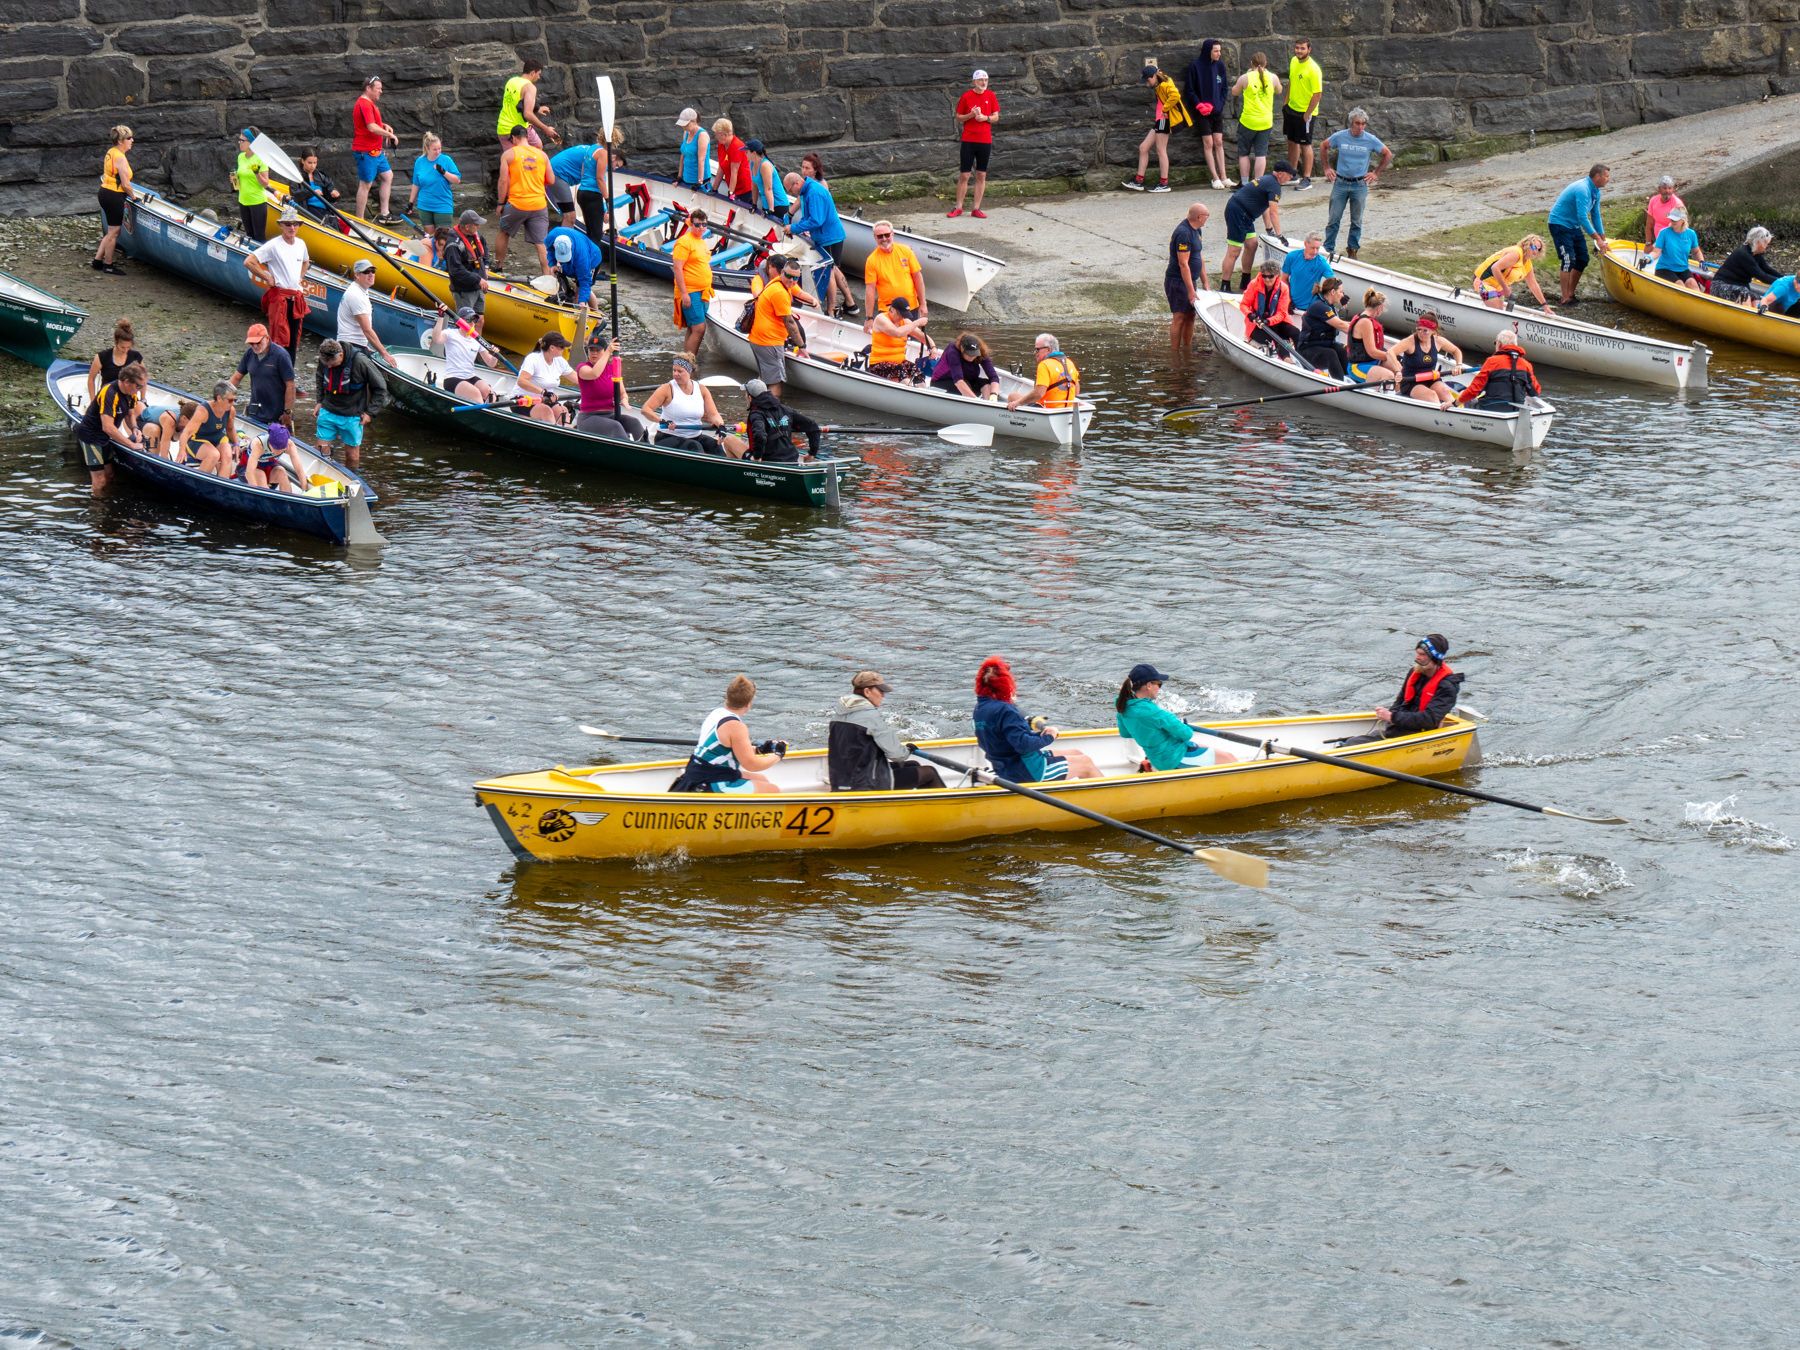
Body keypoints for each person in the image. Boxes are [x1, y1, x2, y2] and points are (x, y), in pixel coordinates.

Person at [972, 656, 1100, 783]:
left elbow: (1004, 737)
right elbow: (1023, 745)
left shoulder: (979, 709)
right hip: (1027, 770)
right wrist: (1049, 736)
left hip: (1005, 767)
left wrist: (1038, 734)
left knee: (1076, 753)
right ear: (1004, 683)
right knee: (1086, 763)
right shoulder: (1006, 711)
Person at [669, 674, 787, 795]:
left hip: (697, 773)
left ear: (727, 698)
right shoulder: (736, 726)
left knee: (762, 779)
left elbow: (731, 750)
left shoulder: (717, 713)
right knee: (773, 790)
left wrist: (759, 750)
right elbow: (751, 765)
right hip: (711, 781)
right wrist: (778, 754)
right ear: (749, 704)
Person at [828, 671, 946, 791]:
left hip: (841, 781)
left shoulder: (838, 716)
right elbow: (897, 755)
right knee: (929, 772)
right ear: (867, 692)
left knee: (913, 765)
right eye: (880, 691)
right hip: (866, 784)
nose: (883, 695)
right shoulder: (870, 716)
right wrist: (908, 750)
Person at [1340, 636, 1464, 745]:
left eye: (1423, 655)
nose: (1418, 658)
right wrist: (1391, 716)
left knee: (1353, 743)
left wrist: (1392, 717)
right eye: (1417, 653)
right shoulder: (1414, 672)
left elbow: (1429, 719)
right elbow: (1400, 700)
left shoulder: (1448, 686)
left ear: (1435, 658)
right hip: (1401, 725)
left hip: (1421, 733)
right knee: (1354, 740)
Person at [1115, 664, 1238, 772]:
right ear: (1148, 685)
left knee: (1201, 747)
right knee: (1230, 759)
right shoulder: (1152, 711)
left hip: (1156, 757)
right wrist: (1178, 723)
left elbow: (1125, 733)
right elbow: (1186, 733)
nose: (1159, 688)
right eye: (1159, 684)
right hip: (1173, 758)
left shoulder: (1123, 707)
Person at [642, 354, 749, 458]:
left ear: (689, 372)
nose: (675, 374)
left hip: (695, 436)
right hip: (667, 437)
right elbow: (646, 410)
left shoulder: (702, 389)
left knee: (716, 447)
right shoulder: (667, 389)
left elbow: (713, 414)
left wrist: (721, 426)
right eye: (674, 370)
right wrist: (662, 421)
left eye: (680, 371)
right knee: (695, 447)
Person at [245, 205, 312, 363]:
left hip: (296, 297)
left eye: (295, 224)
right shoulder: (274, 245)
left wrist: (299, 278)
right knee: (279, 338)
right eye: (288, 224)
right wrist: (266, 276)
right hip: (280, 297)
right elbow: (249, 261)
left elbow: (306, 261)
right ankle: (276, 371)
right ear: (281, 225)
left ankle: (290, 375)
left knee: (294, 340)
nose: (292, 227)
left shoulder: (301, 244)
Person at [1322, 108, 1391, 258]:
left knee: (1356, 220)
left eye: (1363, 124)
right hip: (1340, 182)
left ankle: (1352, 249)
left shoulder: (1370, 139)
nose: (1360, 127)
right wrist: (1327, 167)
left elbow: (1387, 154)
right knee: (1334, 218)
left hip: (1359, 184)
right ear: (1351, 123)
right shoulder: (1340, 137)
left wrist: (1375, 173)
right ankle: (1328, 249)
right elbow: (1324, 146)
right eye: (1357, 123)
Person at [76, 361, 151, 494]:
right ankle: (97, 510)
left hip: (106, 438)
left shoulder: (131, 393)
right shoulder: (109, 393)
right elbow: (108, 427)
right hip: (92, 436)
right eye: (139, 386)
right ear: (127, 381)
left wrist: (134, 428)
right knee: (99, 480)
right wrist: (131, 445)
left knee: (110, 475)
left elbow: (130, 414)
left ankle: (106, 501)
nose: (140, 389)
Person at [1217, 160, 1293, 291]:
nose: (1290, 178)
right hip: (1238, 212)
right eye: (1289, 175)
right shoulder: (1274, 185)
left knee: (1252, 245)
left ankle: (1245, 282)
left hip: (1245, 215)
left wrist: (1269, 229)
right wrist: (1280, 235)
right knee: (1234, 250)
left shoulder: (1268, 180)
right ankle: (1225, 286)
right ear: (1280, 174)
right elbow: (1274, 212)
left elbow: (1266, 209)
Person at [784, 171, 852, 316]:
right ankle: (850, 304)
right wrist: (797, 228)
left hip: (830, 238)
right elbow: (807, 217)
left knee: (829, 272)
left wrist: (794, 228)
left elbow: (816, 220)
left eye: (790, 190)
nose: (792, 193)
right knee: (833, 270)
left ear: (796, 183)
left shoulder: (814, 192)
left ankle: (831, 309)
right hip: (826, 235)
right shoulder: (806, 191)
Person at [314, 337, 388, 466]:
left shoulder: (361, 362)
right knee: (320, 450)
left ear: (341, 355)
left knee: (352, 456)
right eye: (326, 364)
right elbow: (320, 377)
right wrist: (319, 401)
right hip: (328, 410)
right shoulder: (325, 360)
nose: (329, 366)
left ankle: (352, 479)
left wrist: (370, 413)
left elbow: (380, 388)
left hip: (352, 415)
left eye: (331, 362)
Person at [495, 125, 554, 277]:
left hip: (517, 203)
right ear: (527, 136)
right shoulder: (542, 155)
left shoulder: (509, 154)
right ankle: (548, 276)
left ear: (514, 138)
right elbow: (551, 180)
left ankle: (498, 267)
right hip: (539, 204)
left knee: (504, 232)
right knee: (541, 242)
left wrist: (501, 203)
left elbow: (503, 181)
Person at [748, 256, 810, 397]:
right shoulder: (779, 292)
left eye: (796, 278)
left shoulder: (778, 283)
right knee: (775, 382)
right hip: (769, 342)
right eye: (788, 276)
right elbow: (789, 322)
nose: (792, 281)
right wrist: (801, 346)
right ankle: (772, 412)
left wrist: (812, 300)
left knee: (765, 379)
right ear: (782, 273)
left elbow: (797, 293)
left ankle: (755, 406)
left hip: (760, 339)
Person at [1547, 163, 1609, 304]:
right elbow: (1582, 217)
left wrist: (1603, 237)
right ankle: (1564, 297)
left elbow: (1595, 215)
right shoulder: (1583, 189)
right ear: (1597, 176)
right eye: (1606, 176)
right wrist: (1596, 238)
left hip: (1573, 226)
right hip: (1559, 224)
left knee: (1582, 259)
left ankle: (1571, 293)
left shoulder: (1596, 191)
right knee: (1569, 259)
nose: (1608, 179)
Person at [1123, 62, 1190, 192]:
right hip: (1160, 120)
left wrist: (1165, 109)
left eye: (1148, 79)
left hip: (1164, 120)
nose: (1147, 82)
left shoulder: (1164, 84)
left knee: (1161, 150)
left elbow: (1176, 95)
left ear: (1154, 76)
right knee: (1143, 148)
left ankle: (1164, 183)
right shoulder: (1161, 82)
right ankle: (1138, 181)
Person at [573, 329, 647, 440]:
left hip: (611, 414)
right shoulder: (582, 367)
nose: (594, 353)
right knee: (615, 426)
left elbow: (623, 393)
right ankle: (629, 452)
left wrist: (625, 400)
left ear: (603, 351)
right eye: (591, 350)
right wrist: (608, 352)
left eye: (598, 350)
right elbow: (595, 374)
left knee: (634, 422)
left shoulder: (613, 368)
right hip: (589, 417)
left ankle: (646, 448)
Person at [1183, 39, 1233, 190]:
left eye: (1219, 50)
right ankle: (1215, 177)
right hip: (1201, 111)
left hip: (1216, 111)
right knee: (1208, 143)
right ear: (1208, 51)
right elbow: (1189, 90)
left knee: (1218, 141)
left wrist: (1218, 105)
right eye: (1216, 51)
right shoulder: (1195, 66)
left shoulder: (1220, 65)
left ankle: (1224, 176)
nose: (1219, 53)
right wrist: (1199, 105)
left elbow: (1224, 89)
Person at [1385, 311, 1463, 406]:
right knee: (1432, 395)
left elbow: (1456, 351)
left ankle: (1456, 412)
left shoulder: (1438, 340)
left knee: (1445, 391)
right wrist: (1397, 371)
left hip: (1431, 378)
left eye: (1425, 331)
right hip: (1411, 381)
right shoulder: (1410, 341)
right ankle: (1440, 416)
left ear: (1433, 331)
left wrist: (1458, 365)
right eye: (1419, 329)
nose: (1420, 333)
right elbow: (1390, 352)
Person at [351, 76, 401, 223]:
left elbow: (372, 122)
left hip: (376, 151)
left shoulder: (368, 103)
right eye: (378, 88)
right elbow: (371, 127)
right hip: (365, 151)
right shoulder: (364, 104)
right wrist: (390, 135)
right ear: (368, 88)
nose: (381, 91)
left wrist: (383, 125)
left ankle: (384, 214)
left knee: (387, 176)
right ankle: (359, 220)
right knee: (365, 184)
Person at [950, 69, 1000, 218]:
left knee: (981, 174)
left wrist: (985, 118)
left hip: (985, 141)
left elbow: (996, 116)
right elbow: (959, 117)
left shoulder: (991, 95)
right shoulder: (966, 96)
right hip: (969, 140)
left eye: (986, 80)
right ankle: (958, 207)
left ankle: (976, 208)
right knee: (965, 175)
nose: (983, 82)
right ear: (974, 82)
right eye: (980, 80)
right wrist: (971, 115)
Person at [229, 322, 296, 429]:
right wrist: (223, 397)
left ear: (267, 338)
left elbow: (290, 385)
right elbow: (236, 377)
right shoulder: (249, 354)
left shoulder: (281, 356)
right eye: (251, 343)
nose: (255, 346)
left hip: (277, 414)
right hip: (255, 410)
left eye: (258, 342)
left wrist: (287, 412)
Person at [861, 222, 927, 332]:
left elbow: (917, 277)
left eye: (887, 235)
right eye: (880, 236)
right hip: (888, 310)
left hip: (910, 307)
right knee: (892, 340)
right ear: (875, 238)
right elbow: (870, 289)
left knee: (913, 337)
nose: (884, 239)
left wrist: (923, 304)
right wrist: (869, 317)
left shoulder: (906, 251)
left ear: (892, 234)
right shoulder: (872, 260)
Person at [668, 209, 715, 359]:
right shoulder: (684, 242)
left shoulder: (701, 241)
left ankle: (686, 360)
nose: (701, 228)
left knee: (693, 327)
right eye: (698, 225)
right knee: (699, 328)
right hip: (690, 290)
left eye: (704, 225)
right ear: (691, 224)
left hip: (703, 290)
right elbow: (677, 268)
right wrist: (684, 293)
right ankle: (689, 361)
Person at [1230, 52, 1281, 188]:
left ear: (1251, 64)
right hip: (1265, 122)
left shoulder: (1245, 78)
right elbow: (1279, 90)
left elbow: (1234, 91)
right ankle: (1258, 184)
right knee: (1261, 154)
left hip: (1248, 121)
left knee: (1244, 153)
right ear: (1266, 64)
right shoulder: (1273, 78)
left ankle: (1245, 183)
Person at [434, 307, 502, 404]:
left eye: (474, 319)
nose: (472, 322)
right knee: (476, 394)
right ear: (459, 322)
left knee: (490, 394)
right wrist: (440, 317)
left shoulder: (477, 340)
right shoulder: (450, 333)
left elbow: (491, 363)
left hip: (470, 377)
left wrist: (495, 355)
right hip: (453, 379)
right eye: (468, 319)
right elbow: (436, 339)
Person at [744, 378, 821, 463]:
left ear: (750, 398)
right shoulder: (785, 410)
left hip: (768, 462)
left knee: (730, 440)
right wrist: (812, 453)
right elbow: (813, 426)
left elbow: (760, 435)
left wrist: (757, 457)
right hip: (792, 459)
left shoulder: (756, 414)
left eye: (745, 394)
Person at [332, 256, 392, 364]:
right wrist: (385, 354)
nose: (371, 274)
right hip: (350, 346)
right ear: (357, 275)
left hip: (354, 343)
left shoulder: (361, 289)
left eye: (373, 271)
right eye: (366, 271)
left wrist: (366, 345)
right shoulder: (356, 295)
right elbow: (367, 330)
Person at [1457, 333, 1541, 410]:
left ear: (1499, 344)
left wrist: (1455, 403)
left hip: (1490, 409)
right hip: (1515, 412)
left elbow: (1473, 391)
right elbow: (1536, 391)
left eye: (1495, 343)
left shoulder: (1492, 361)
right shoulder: (1526, 365)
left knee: (1464, 395)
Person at [1166, 202, 1208, 353]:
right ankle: (1175, 353)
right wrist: (1190, 291)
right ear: (1199, 217)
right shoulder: (1184, 233)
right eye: (1206, 216)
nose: (1207, 218)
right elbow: (1183, 264)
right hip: (1177, 281)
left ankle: (1187, 349)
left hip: (1191, 280)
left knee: (1191, 315)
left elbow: (1199, 257)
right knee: (1179, 317)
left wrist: (1205, 283)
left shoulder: (1197, 230)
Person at [1473, 235, 1553, 313]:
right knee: (1497, 312)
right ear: (1526, 245)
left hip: (1499, 288)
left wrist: (1545, 305)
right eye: (1534, 247)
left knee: (1500, 312)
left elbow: (1533, 285)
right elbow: (1495, 268)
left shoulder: (1528, 264)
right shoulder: (1516, 253)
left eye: (1538, 249)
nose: (1535, 252)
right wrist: (1505, 288)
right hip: (1482, 282)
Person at [1295, 275, 1354, 379]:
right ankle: (1339, 384)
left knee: (1342, 350)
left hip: (1322, 346)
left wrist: (1361, 324)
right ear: (1332, 292)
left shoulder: (1330, 307)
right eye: (1341, 292)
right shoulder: (1319, 306)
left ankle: (1349, 379)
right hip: (1307, 350)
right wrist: (1363, 333)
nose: (1342, 295)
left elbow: (1343, 323)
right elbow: (1341, 325)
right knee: (1330, 354)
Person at [93, 125, 134, 274]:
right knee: (114, 232)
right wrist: (134, 197)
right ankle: (108, 265)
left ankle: (97, 261)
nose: (132, 140)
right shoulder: (121, 158)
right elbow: (125, 184)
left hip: (104, 192)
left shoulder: (111, 152)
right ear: (121, 140)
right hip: (114, 195)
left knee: (110, 231)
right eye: (129, 138)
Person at [169, 386, 233, 477]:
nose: (233, 403)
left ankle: (223, 486)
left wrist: (237, 444)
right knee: (214, 455)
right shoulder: (203, 411)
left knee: (227, 455)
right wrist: (182, 450)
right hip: (198, 441)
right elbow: (186, 433)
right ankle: (198, 485)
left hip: (215, 440)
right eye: (230, 400)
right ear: (219, 398)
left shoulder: (230, 410)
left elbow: (231, 429)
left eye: (235, 400)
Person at [1284, 38, 1323, 190]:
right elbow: (1291, 82)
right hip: (1291, 109)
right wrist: (1285, 103)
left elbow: (1317, 94)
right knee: (1292, 141)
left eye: (1302, 48)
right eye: (1297, 48)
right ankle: (1292, 174)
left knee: (1305, 144)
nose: (1299, 51)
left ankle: (1307, 178)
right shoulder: (1294, 61)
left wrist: (1308, 113)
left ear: (1309, 49)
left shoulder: (1313, 69)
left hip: (1305, 113)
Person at [496, 55, 556, 152]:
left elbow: (516, 103)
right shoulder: (530, 87)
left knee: (512, 159)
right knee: (537, 148)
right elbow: (527, 114)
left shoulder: (511, 81)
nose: (539, 77)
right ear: (533, 73)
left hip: (502, 129)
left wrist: (537, 109)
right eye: (538, 74)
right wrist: (546, 129)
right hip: (519, 130)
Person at [1008, 333, 1080, 410]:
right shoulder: (1069, 363)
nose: (1035, 353)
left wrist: (1018, 403)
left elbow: (1038, 394)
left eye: (1037, 350)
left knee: (1012, 396)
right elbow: (1076, 391)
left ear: (1048, 349)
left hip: (1046, 410)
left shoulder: (1044, 365)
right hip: (1067, 409)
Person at [868, 298, 932, 383]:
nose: (902, 317)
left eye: (904, 315)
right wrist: (917, 323)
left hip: (899, 362)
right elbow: (897, 333)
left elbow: (921, 336)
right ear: (893, 310)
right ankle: (906, 389)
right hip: (878, 364)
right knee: (900, 370)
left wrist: (933, 347)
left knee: (918, 371)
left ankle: (921, 391)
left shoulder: (904, 321)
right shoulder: (881, 319)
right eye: (900, 314)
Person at [517, 332, 577, 424]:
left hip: (547, 399)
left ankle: (568, 432)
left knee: (563, 411)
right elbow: (521, 381)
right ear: (552, 348)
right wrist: (543, 392)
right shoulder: (533, 359)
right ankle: (555, 433)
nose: (564, 349)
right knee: (546, 411)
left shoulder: (560, 361)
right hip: (524, 399)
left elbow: (578, 379)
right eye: (561, 347)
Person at [1711, 226, 1781, 304]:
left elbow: (1767, 269)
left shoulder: (1756, 254)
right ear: (1758, 242)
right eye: (1765, 243)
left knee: (1757, 299)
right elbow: (1762, 276)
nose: (1767, 246)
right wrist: (1781, 282)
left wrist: (1785, 278)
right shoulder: (1743, 254)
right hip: (1720, 286)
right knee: (1744, 294)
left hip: (1739, 287)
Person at [1345, 288, 1401, 386]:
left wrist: (1394, 361)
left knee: (1399, 369)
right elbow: (1372, 352)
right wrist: (1390, 356)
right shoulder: (1365, 322)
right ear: (1379, 307)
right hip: (1358, 367)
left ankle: (1399, 395)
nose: (1382, 310)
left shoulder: (1366, 319)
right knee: (1389, 376)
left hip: (1373, 362)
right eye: (1383, 308)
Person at [1240, 259, 1299, 346]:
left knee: (1296, 333)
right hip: (1257, 323)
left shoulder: (1284, 288)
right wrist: (1250, 315)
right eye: (1264, 276)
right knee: (1276, 341)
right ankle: (1285, 358)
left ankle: (1301, 356)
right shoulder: (1253, 284)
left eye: (1270, 276)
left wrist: (1268, 321)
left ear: (1277, 275)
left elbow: (1282, 313)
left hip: (1275, 321)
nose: (1267, 279)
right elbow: (1244, 304)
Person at [408, 133, 462, 227]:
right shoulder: (420, 161)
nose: (438, 152)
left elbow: (457, 180)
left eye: (439, 148)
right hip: (424, 205)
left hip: (443, 204)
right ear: (427, 149)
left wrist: (444, 172)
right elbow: (416, 184)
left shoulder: (446, 160)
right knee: (429, 238)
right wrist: (411, 202)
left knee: (442, 237)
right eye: (435, 149)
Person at [1645, 206, 1704, 290]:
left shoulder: (1691, 234)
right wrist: (1648, 258)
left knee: (1693, 284)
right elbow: (1656, 252)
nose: (1672, 221)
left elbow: (1696, 252)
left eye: (1675, 219)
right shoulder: (1664, 233)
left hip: (1683, 269)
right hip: (1664, 269)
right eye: (1671, 219)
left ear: (1683, 220)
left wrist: (1701, 261)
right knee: (1680, 284)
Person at [545, 226, 603, 312]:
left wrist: (582, 301)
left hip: (593, 258)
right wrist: (553, 264)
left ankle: (597, 319)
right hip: (577, 254)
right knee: (575, 290)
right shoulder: (551, 237)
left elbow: (585, 282)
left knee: (580, 291)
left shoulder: (582, 258)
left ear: (571, 247)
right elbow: (550, 250)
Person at [444, 209, 490, 316]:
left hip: (478, 285)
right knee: (467, 321)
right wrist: (478, 279)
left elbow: (485, 249)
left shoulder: (475, 234)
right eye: (476, 224)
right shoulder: (453, 245)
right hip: (464, 290)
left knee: (480, 320)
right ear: (467, 227)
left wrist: (486, 266)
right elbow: (456, 271)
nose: (478, 226)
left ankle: (477, 334)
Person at [930, 332, 1002, 399]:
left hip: (968, 380)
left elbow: (993, 377)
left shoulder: (981, 351)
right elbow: (958, 381)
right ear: (962, 348)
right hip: (942, 382)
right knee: (966, 385)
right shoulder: (953, 351)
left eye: (974, 354)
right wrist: (975, 401)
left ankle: (989, 404)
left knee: (987, 384)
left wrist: (994, 394)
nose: (972, 356)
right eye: (969, 353)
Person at [232, 126, 273, 240]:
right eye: (239, 140)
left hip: (257, 202)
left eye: (242, 140)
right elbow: (242, 179)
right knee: (249, 236)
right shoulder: (240, 157)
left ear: (251, 143)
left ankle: (261, 258)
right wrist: (235, 180)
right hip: (243, 201)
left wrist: (256, 173)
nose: (239, 142)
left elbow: (265, 184)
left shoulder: (261, 159)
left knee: (259, 237)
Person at [87, 318, 142, 399]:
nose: (125, 350)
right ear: (116, 342)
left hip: (128, 398)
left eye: (129, 347)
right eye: (122, 347)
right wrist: (92, 401)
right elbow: (91, 380)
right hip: (107, 397)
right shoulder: (101, 357)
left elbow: (142, 379)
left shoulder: (136, 357)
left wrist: (143, 399)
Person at [245, 420, 305, 493]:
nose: (279, 452)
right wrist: (255, 492)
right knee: (261, 475)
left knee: (282, 472)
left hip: (269, 466)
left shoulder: (289, 445)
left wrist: (304, 490)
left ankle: (288, 500)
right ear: (270, 443)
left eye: (282, 449)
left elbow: (299, 469)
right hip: (248, 467)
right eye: (277, 449)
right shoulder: (259, 445)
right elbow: (249, 472)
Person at [1280, 231, 1333, 313]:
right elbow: (1283, 279)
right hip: (1292, 305)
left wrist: (1341, 296)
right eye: (1313, 248)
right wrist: (1288, 299)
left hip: (1311, 308)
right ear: (1305, 244)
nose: (1315, 252)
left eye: (1318, 248)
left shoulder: (1322, 263)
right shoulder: (1292, 256)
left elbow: (1334, 282)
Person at [546, 139, 594, 224]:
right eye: (616, 165)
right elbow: (590, 183)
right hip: (558, 174)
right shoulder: (594, 156)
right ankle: (564, 236)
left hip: (555, 172)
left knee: (566, 213)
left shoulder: (592, 150)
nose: (614, 168)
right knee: (570, 216)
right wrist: (604, 210)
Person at [744, 139, 789, 217]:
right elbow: (754, 185)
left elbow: (768, 189)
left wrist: (770, 210)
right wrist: (754, 204)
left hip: (778, 205)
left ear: (754, 153)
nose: (745, 154)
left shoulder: (765, 165)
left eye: (746, 152)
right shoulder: (751, 163)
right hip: (766, 204)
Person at [710, 118, 753, 201]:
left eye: (716, 134)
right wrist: (714, 189)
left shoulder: (737, 146)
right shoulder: (721, 145)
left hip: (744, 189)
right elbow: (721, 168)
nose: (715, 136)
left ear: (724, 135)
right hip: (733, 186)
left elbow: (734, 172)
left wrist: (731, 193)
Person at [295, 148, 340, 218]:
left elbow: (330, 196)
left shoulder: (322, 176)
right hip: (309, 210)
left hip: (325, 210)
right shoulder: (297, 177)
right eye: (309, 163)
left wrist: (335, 195)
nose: (313, 166)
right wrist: (312, 192)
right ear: (303, 161)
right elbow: (295, 195)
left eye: (315, 163)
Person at [1643, 175, 1685, 247]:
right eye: (1665, 188)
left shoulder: (1677, 204)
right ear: (1659, 189)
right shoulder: (1653, 201)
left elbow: (1680, 228)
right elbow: (1649, 224)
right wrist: (1648, 243)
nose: (1667, 191)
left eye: (1670, 188)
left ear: (1673, 189)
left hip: (1673, 243)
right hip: (1659, 242)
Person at [674, 108, 710, 188]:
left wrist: (699, 182)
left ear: (694, 121)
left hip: (699, 180)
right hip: (687, 178)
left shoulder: (702, 135)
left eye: (686, 125)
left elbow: (701, 160)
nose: (683, 127)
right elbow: (683, 155)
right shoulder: (686, 132)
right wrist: (679, 176)